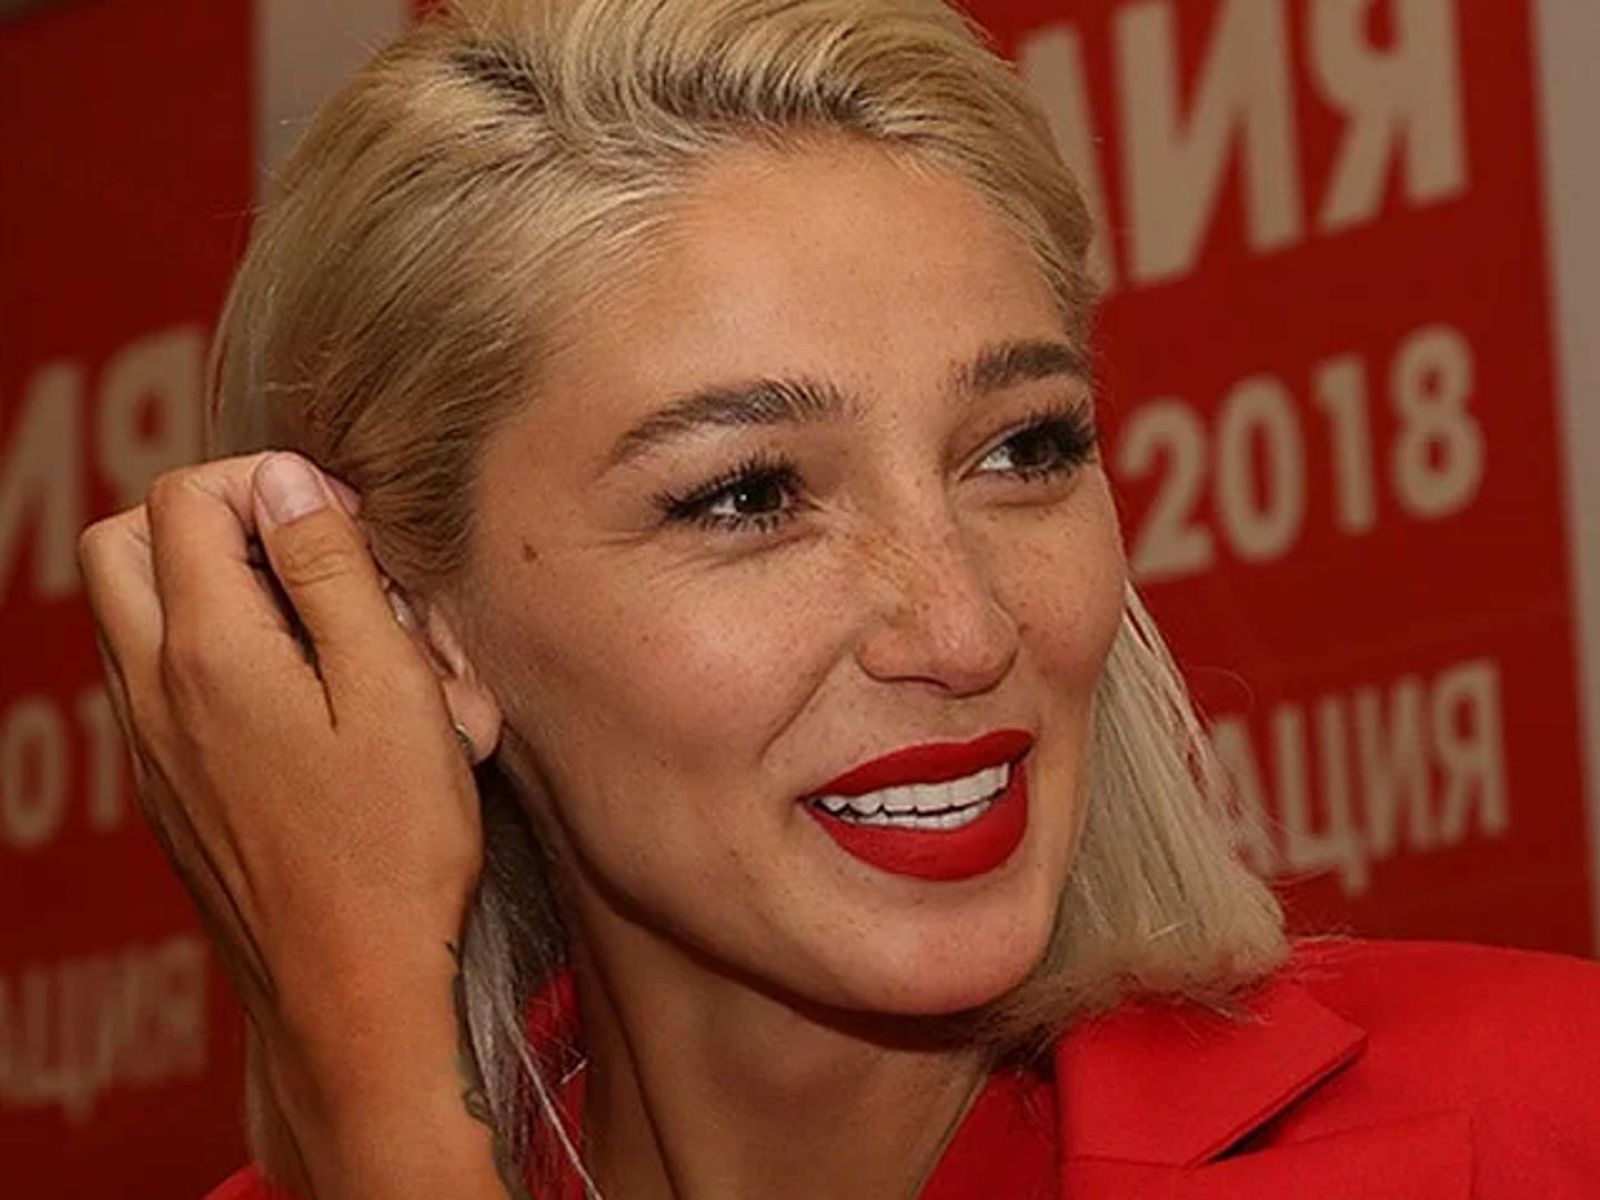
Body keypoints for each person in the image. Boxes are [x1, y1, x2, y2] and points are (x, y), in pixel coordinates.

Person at [76, 1, 1600, 1197]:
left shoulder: (1547, 1122)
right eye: (748, 495)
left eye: (1022, 450)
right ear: (407, 624)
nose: (964, 630)